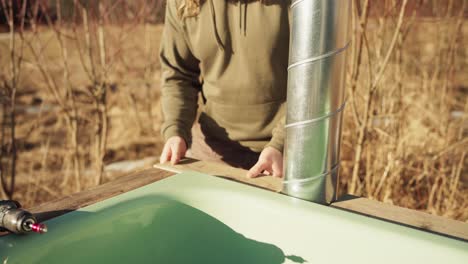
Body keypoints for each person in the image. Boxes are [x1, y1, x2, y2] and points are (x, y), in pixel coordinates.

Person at [159, 0, 289, 178]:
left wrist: (281, 143)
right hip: (213, 147)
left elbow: (315, 79)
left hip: (288, 150)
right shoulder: (183, 3)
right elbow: (178, 75)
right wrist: (176, 130)